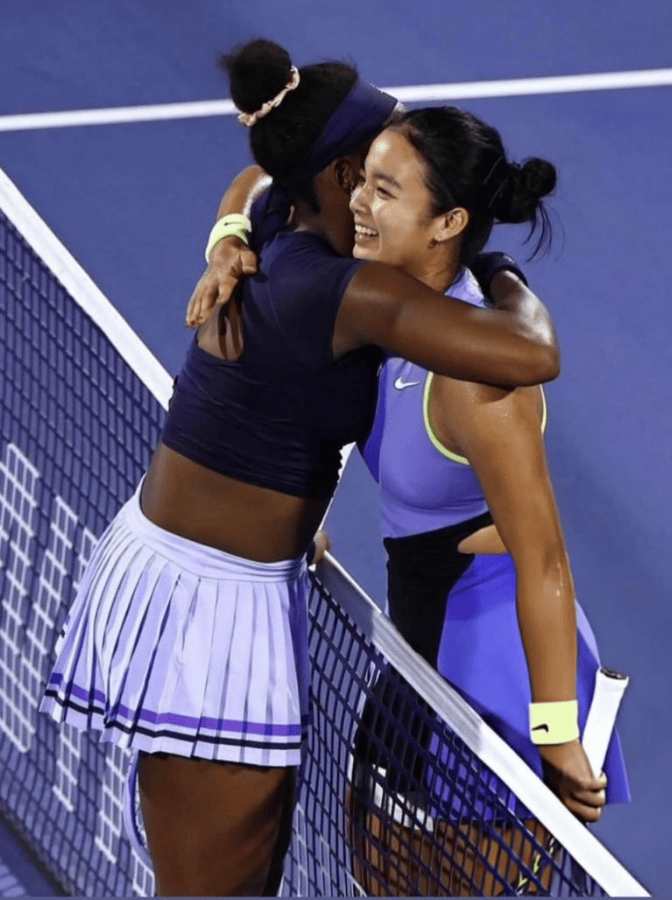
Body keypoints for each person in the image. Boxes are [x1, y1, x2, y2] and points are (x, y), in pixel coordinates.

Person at [40, 40, 560, 897]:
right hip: (216, 606)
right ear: (344, 173)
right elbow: (532, 352)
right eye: (377, 162)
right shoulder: (345, 292)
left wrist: (224, 235)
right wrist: (497, 268)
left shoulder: (281, 213)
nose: (386, 171)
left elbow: (249, 182)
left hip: (188, 565)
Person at [345, 107, 630, 895]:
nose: (358, 202)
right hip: (415, 661)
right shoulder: (386, 304)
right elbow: (266, 179)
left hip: (496, 682)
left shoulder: (477, 380)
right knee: (375, 877)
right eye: (362, 181)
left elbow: (544, 559)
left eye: (384, 190)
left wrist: (556, 732)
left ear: (448, 223)